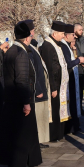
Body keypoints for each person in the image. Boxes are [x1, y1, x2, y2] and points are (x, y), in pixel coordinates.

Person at [0, 22, 43, 167]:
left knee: (14, 132)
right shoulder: (21, 53)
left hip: (11, 98)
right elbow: (22, 80)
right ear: (27, 38)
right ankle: (19, 162)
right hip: (20, 99)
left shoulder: (11, 50)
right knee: (23, 133)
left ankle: (16, 161)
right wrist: (26, 102)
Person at [20, 20, 51, 148]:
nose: (33, 33)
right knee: (36, 116)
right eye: (32, 31)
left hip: (40, 86)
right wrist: (38, 89)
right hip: (36, 89)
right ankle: (34, 141)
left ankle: (37, 140)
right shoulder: (27, 50)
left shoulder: (32, 47)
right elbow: (32, 72)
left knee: (40, 116)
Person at [39, 21, 71, 142]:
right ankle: (53, 135)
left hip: (59, 84)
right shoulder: (48, 46)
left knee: (57, 109)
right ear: (55, 33)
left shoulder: (56, 44)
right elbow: (50, 68)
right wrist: (53, 88)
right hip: (54, 85)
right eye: (62, 33)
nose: (63, 36)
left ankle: (58, 134)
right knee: (53, 110)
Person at [61, 24, 84, 134]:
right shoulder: (64, 46)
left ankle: (73, 125)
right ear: (66, 36)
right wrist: (78, 60)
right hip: (68, 80)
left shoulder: (68, 46)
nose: (74, 37)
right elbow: (68, 63)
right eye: (72, 35)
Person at [74, 24, 84, 116]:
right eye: (80, 30)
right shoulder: (73, 40)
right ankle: (76, 109)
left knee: (81, 90)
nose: (81, 31)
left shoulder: (83, 39)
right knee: (76, 90)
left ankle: (80, 108)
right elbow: (76, 53)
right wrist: (80, 61)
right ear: (75, 30)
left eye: (82, 30)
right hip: (77, 68)